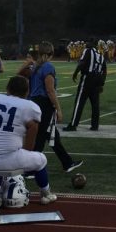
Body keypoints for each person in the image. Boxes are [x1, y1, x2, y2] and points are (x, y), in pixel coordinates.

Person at [0, 75, 56, 208]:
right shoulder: (30, 107)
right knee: (41, 159)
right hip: (10, 158)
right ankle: (46, 193)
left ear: (7, 88)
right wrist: (24, 154)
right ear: (27, 91)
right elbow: (30, 143)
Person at [18, 42, 83, 173]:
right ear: (50, 54)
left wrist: (27, 64)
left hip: (34, 102)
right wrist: (58, 109)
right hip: (43, 103)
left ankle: (67, 163)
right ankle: (31, 169)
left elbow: (19, 74)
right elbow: (50, 90)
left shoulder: (35, 66)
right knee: (41, 135)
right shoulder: (48, 67)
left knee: (51, 133)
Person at [66, 39, 107, 131]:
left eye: (88, 42)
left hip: (88, 78)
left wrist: (75, 73)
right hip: (97, 79)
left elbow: (82, 63)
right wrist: (102, 83)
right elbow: (104, 71)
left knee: (79, 102)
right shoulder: (101, 55)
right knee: (95, 104)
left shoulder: (88, 50)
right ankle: (95, 125)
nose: (86, 44)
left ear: (93, 43)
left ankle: (73, 125)